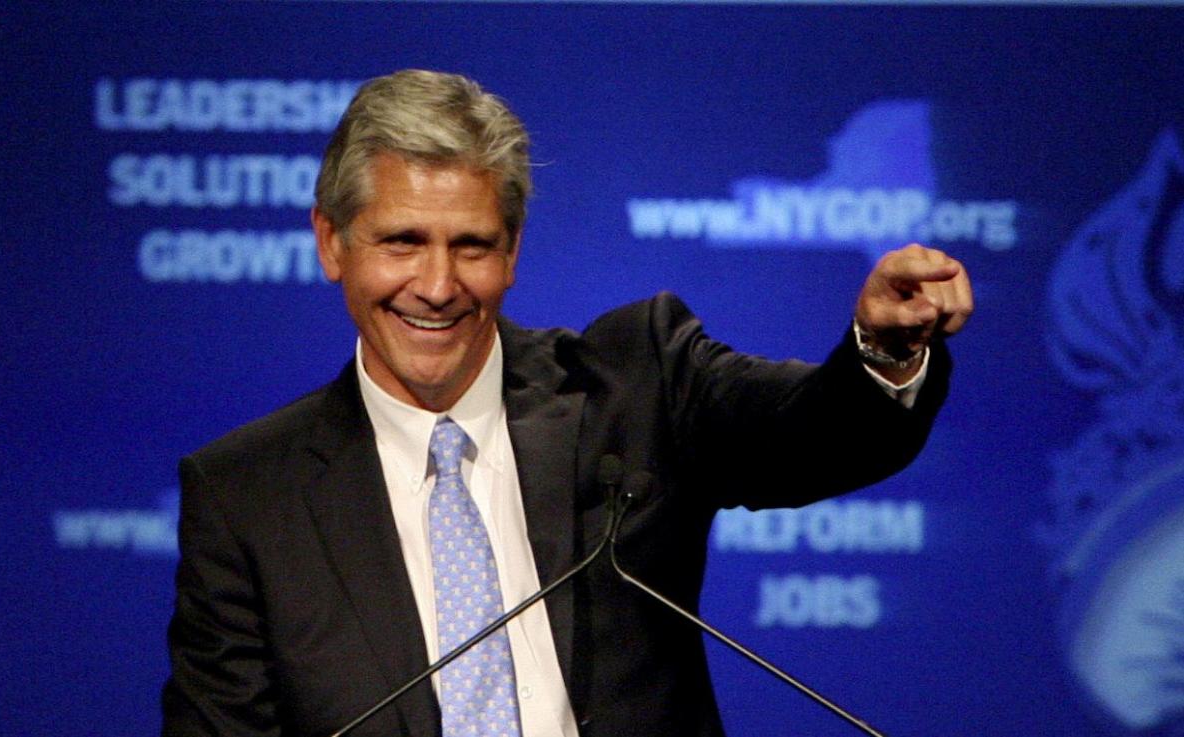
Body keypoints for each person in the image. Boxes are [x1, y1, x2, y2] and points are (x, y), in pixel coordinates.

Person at [162, 70, 972, 737]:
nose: (438, 286)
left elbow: (817, 434)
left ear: (511, 252)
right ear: (332, 242)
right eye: (402, 241)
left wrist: (885, 347)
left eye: (471, 245)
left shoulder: (634, 386)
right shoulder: (247, 497)